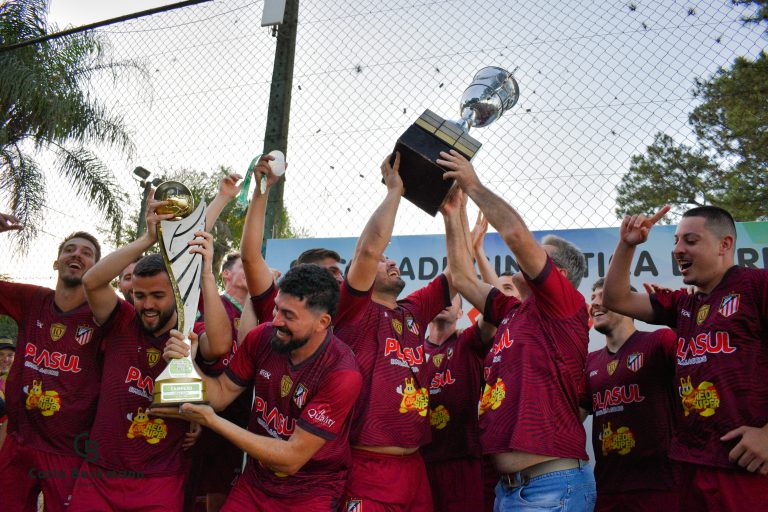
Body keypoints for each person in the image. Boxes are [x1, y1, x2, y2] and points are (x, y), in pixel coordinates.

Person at [438, 149, 595, 511]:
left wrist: (473, 184)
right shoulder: (511, 311)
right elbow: (461, 277)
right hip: (510, 491)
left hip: (551, 488)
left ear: (560, 276)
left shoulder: (563, 306)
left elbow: (515, 235)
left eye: (540, 253)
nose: (526, 257)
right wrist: (454, 212)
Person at [154, 263, 363, 511]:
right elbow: (220, 394)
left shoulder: (342, 372)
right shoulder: (262, 336)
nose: (275, 321)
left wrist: (213, 421)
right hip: (255, 482)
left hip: (310, 491)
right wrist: (186, 363)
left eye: (288, 315)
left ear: (322, 322)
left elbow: (291, 459)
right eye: (276, 308)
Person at [601, 205, 768, 510]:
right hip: (689, 463)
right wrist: (627, 245)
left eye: (690, 241)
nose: (678, 250)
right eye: (676, 241)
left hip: (745, 466)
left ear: (725, 244)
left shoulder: (757, 286)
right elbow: (616, 298)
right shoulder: (683, 305)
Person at [70, 195, 227, 511]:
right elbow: (92, 281)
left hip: (160, 478)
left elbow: (221, 344)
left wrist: (206, 274)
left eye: (157, 295)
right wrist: (148, 238)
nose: (147, 304)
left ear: (177, 293)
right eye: (140, 295)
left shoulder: (187, 333)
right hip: (100, 472)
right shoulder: (122, 319)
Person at [334, 152, 453, 511]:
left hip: (415, 466)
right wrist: (394, 192)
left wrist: (454, 214)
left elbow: (457, 274)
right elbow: (369, 249)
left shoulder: (413, 310)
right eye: (384, 260)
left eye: (391, 259)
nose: (391, 261)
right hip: (366, 466)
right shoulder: (353, 310)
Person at [0, 231, 104, 512]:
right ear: (57, 262)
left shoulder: (105, 315)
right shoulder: (32, 299)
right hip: (20, 440)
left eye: (86, 253)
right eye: (69, 249)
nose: (76, 254)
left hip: (69, 448)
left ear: (96, 269)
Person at [581, 278, 678, 511]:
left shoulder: (659, 341)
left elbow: (701, 367)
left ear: (625, 303)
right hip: (607, 489)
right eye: (592, 298)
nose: (595, 303)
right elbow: (572, 417)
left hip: (660, 488)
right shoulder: (589, 362)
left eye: (603, 296)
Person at [422, 293, 495, 512]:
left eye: (451, 297)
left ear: (461, 313)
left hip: (463, 461)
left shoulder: (469, 341)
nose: (444, 299)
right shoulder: (411, 351)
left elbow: (493, 310)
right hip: (419, 464)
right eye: (440, 295)